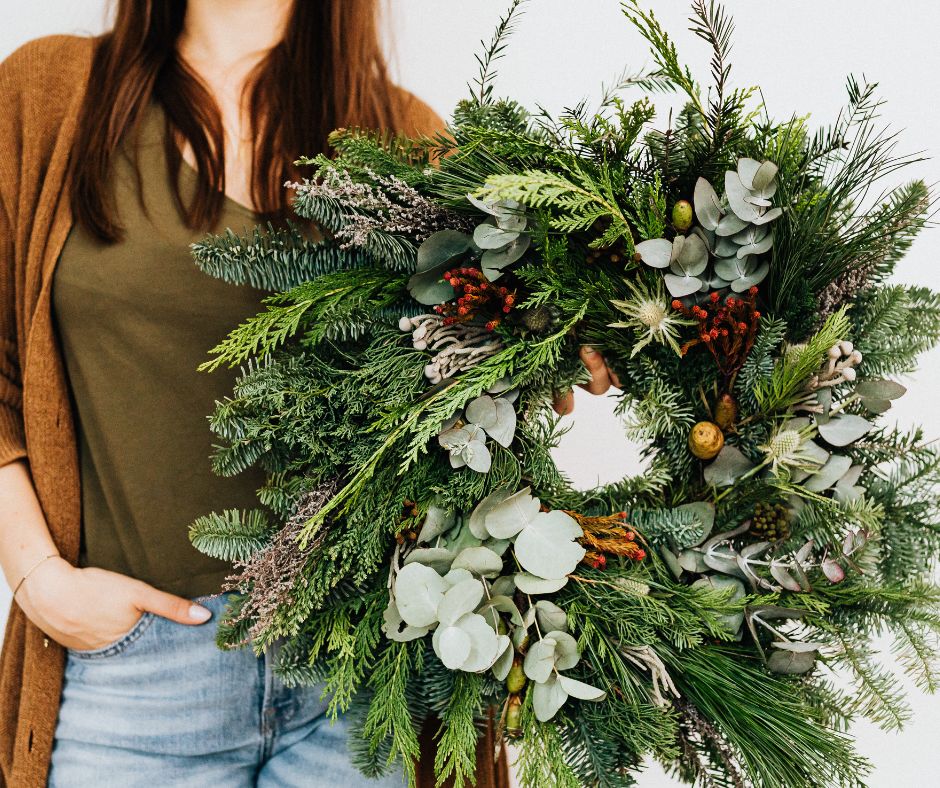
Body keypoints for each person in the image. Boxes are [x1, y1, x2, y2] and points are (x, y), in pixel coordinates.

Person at [0, 1, 617, 784]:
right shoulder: (53, 96)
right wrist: (37, 578)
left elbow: (472, 376)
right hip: (136, 675)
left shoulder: (404, 139)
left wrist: (562, 336)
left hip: (360, 677)